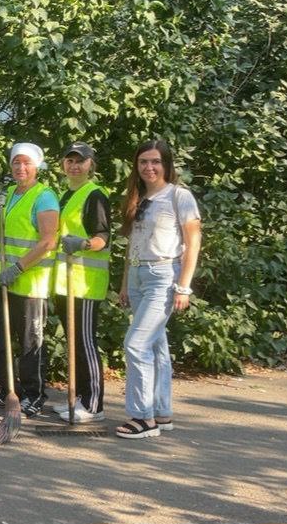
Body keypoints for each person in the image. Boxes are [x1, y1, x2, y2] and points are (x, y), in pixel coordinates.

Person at [115, 140, 202, 439]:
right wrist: (125, 282)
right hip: (138, 275)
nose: (149, 167)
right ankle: (162, 413)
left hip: (164, 275)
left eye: (155, 162)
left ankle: (143, 418)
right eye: (143, 162)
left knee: (136, 344)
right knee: (155, 346)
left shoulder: (179, 196)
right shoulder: (138, 197)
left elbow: (193, 243)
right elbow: (133, 244)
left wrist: (184, 287)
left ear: (166, 164)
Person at [0, 142, 59, 418]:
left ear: (36, 166)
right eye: (16, 162)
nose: (20, 167)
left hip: (29, 283)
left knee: (30, 342)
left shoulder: (44, 196)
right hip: (0, 282)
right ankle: (9, 389)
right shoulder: (9, 194)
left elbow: (48, 240)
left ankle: (34, 395)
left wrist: (18, 267)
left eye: (26, 163)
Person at [51, 142, 111, 423]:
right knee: (73, 340)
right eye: (70, 160)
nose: (74, 166)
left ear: (90, 165)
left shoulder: (94, 195)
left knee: (85, 341)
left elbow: (102, 236)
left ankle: (95, 405)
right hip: (65, 281)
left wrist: (84, 243)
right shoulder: (65, 195)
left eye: (80, 161)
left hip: (86, 282)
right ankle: (79, 398)